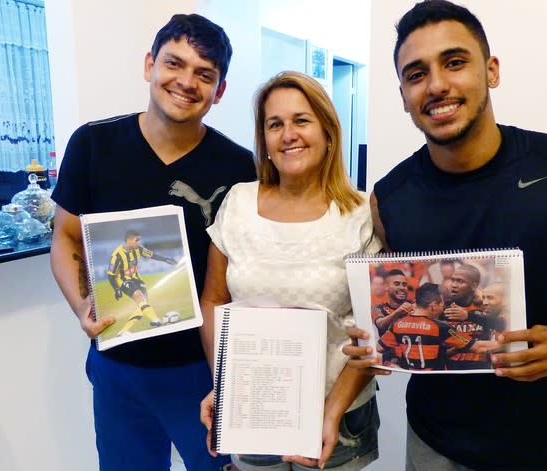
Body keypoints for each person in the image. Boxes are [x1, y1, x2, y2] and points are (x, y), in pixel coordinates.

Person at [343, 1, 547, 470]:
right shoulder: (388, 198)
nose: (437, 84)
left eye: (455, 62)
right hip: (433, 445)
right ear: (402, 94)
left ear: (491, 70)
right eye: (416, 74)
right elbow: (408, 312)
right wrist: (381, 343)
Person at [49, 14, 255, 471]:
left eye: (205, 74)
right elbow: (65, 237)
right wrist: (82, 303)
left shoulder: (240, 167)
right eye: (174, 64)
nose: (186, 82)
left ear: (219, 91)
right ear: (149, 65)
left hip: (201, 370)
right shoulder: (93, 144)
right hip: (118, 365)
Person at [198, 71, 381, 471]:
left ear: (328, 131)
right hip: (255, 408)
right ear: (263, 140)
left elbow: (377, 326)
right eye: (274, 124)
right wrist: (224, 383)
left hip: (340, 414)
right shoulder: (238, 202)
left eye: (301, 120)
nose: (288, 134)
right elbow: (214, 298)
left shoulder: (361, 213)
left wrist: (333, 409)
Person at [107, 229, 178, 335]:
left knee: (143, 305)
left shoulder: (139, 249)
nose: (139, 242)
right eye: (137, 240)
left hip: (136, 279)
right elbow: (110, 275)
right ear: (129, 241)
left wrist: (166, 259)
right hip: (123, 280)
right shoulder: (117, 255)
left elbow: (152, 255)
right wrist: (117, 289)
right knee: (139, 297)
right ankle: (156, 321)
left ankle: (123, 331)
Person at [371, 268, 414, 336]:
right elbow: (380, 324)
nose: (402, 288)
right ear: (386, 287)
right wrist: (397, 312)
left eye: (404, 284)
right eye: (397, 284)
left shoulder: (414, 308)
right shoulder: (378, 308)